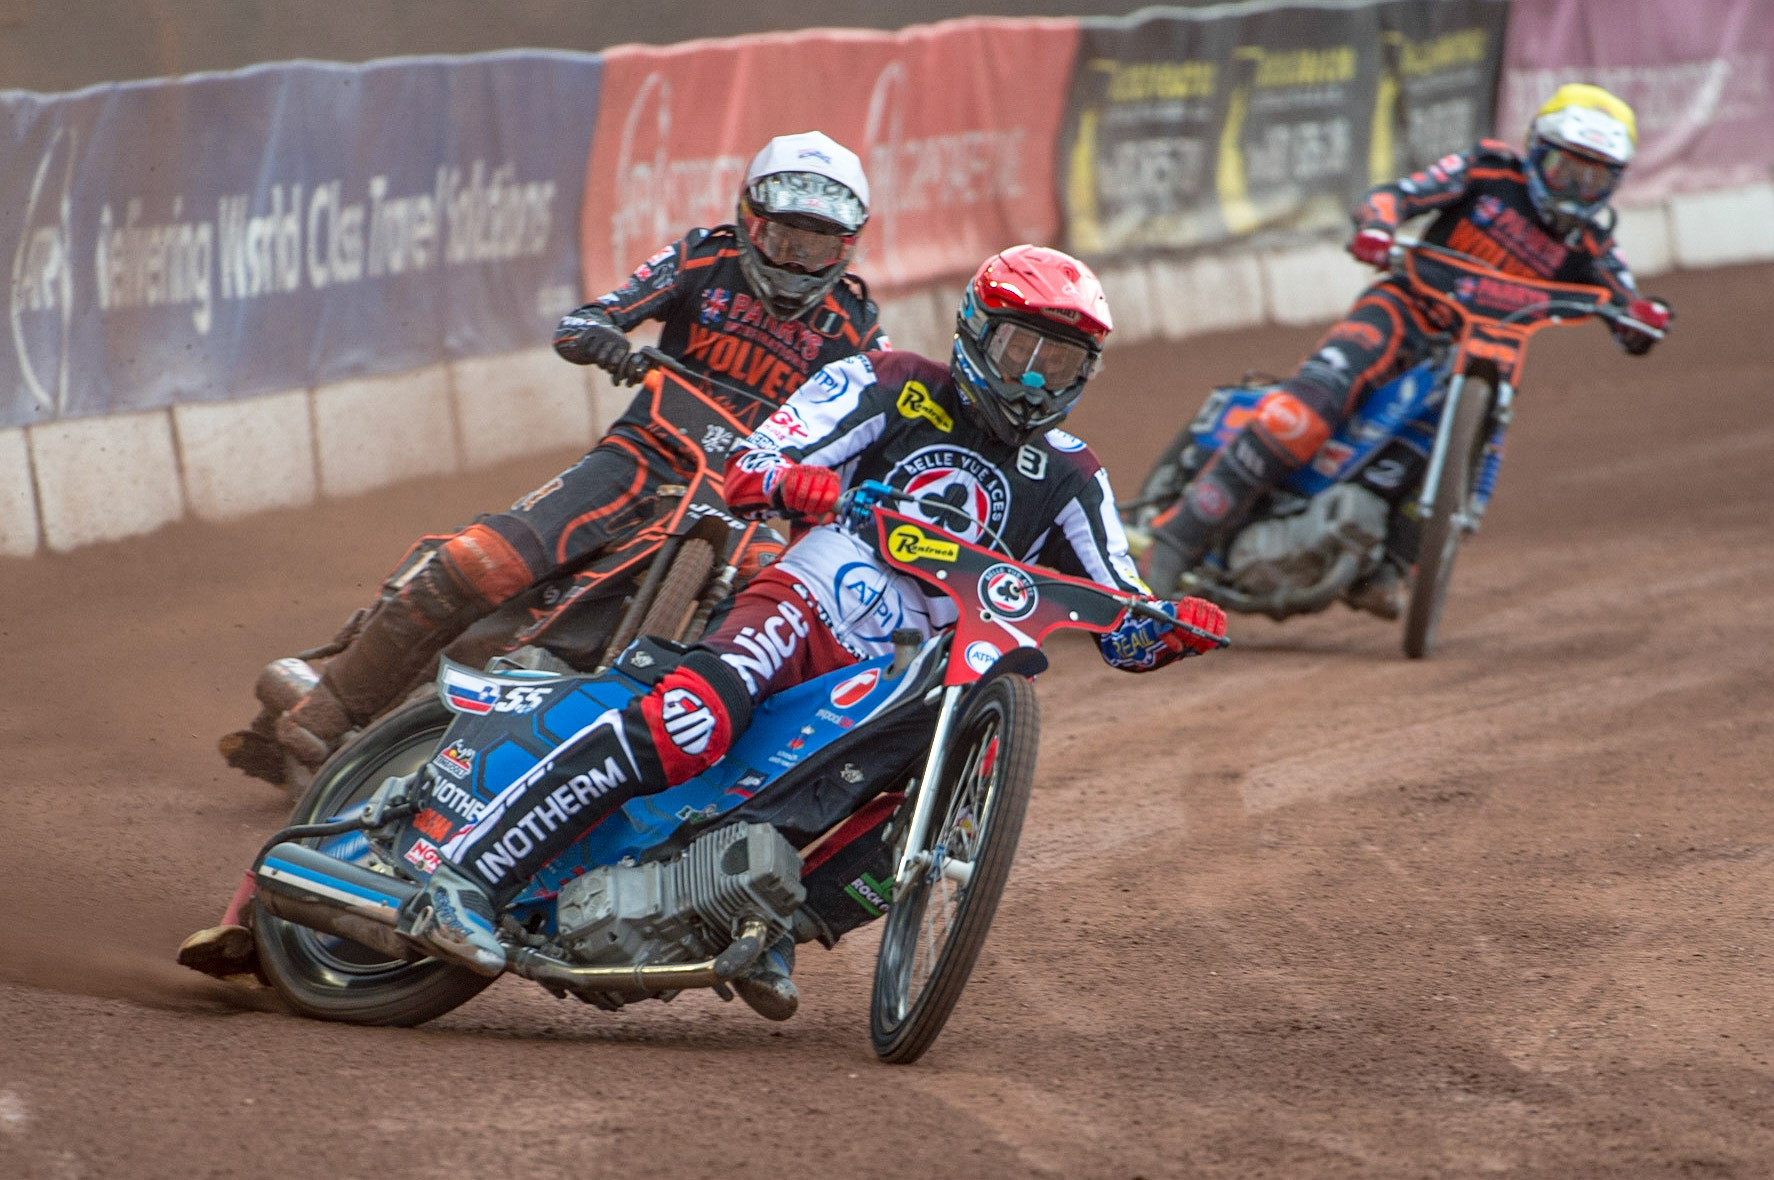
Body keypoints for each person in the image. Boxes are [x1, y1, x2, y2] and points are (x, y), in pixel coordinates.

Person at [395, 244, 1229, 1017]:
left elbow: (1122, 613)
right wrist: (813, 492)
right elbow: (753, 465)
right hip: (806, 600)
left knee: (921, 815)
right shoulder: (890, 380)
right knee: (693, 719)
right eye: (1022, 351)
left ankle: (767, 930)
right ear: (977, 332)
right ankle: (465, 876)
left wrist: (1172, 626)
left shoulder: (1075, 476)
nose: (1037, 381)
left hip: (904, 674)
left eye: (1063, 363)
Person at [184, 131, 884, 982]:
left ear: (846, 247)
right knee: (485, 563)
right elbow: (587, 319)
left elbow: (859, 431)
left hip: (737, 502)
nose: (801, 258)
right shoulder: (702, 261)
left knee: (724, 650)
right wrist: (612, 342)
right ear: (749, 221)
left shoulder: (854, 322)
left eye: (820, 242)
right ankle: (327, 710)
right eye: (785, 235)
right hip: (642, 458)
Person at [1143, 83, 1673, 606]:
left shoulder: (1591, 242)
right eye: (1566, 170)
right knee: (1305, 410)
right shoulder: (1488, 169)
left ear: (1613, 183)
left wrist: (1640, 318)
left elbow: (1627, 299)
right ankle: (1174, 539)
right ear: (1537, 151)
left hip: (1488, 349)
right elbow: (1396, 196)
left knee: (1467, 440)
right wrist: (1378, 225)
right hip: (1405, 309)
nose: (1574, 190)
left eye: (1593, 178)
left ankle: (1391, 564)